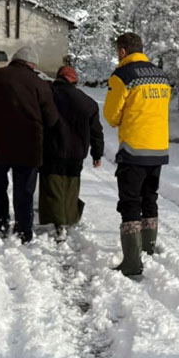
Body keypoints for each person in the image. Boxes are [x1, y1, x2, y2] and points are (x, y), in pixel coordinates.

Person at [0, 46, 59, 243]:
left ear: (14, 60)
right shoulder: (39, 84)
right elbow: (51, 119)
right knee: (24, 190)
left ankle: (0, 224)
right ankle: (24, 230)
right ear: (32, 64)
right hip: (29, 147)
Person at [103, 32, 172, 277]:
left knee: (130, 202)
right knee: (150, 198)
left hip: (134, 149)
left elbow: (111, 116)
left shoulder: (123, 75)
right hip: (158, 149)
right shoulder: (162, 76)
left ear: (122, 51)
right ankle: (148, 249)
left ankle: (132, 261)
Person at [40, 65, 105, 240]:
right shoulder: (88, 102)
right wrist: (97, 153)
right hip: (76, 152)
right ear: (75, 81)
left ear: (58, 77)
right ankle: (68, 218)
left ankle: (58, 223)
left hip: (52, 149)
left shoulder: (48, 95)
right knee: (70, 187)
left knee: (52, 186)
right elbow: (96, 131)